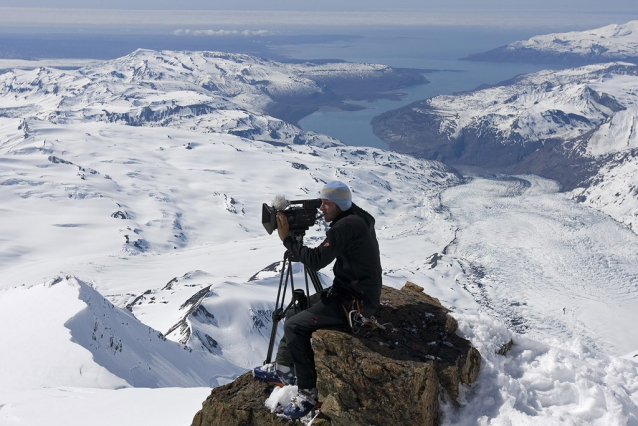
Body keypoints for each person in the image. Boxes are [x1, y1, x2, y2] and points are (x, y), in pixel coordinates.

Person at [253, 180, 382, 420]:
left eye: (326, 203)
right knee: (294, 312)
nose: (321, 207)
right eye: (321, 202)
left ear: (340, 204)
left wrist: (287, 239)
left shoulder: (345, 227)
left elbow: (315, 260)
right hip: (348, 290)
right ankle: (284, 369)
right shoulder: (358, 216)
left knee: (293, 325)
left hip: (354, 301)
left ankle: (307, 392)